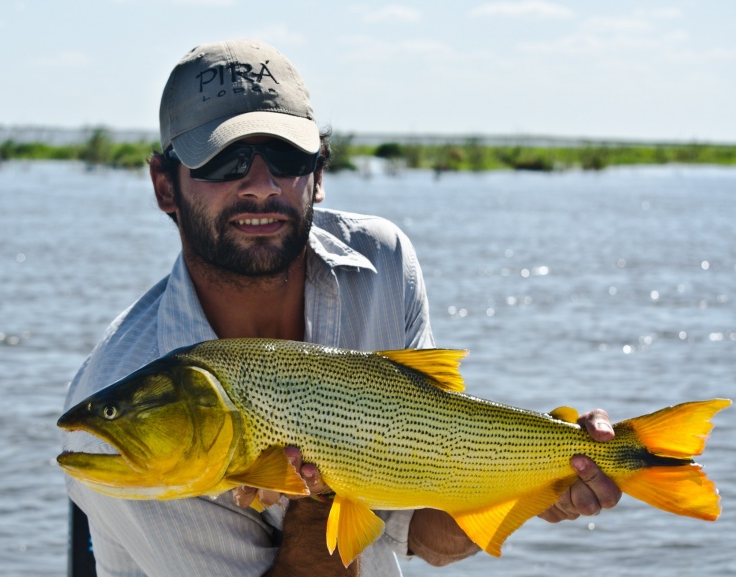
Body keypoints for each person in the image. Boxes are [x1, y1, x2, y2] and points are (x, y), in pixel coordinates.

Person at [61, 39, 621, 577]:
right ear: (165, 186)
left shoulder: (381, 263)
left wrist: (540, 488)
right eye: (223, 161)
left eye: (286, 156)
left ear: (319, 174)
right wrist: (319, 490)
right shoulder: (114, 429)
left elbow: (416, 529)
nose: (261, 185)